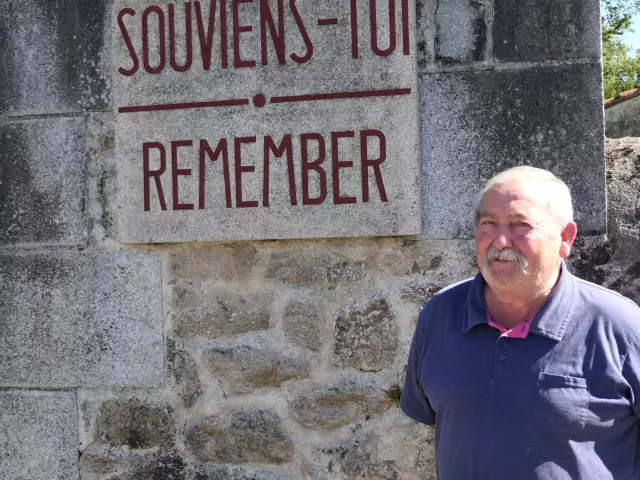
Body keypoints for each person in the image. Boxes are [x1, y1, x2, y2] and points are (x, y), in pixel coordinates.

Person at [401, 166, 640, 480]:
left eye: (519, 225)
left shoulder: (619, 325)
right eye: (489, 223)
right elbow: (445, 419)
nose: (500, 240)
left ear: (565, 238)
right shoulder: (440, 313)